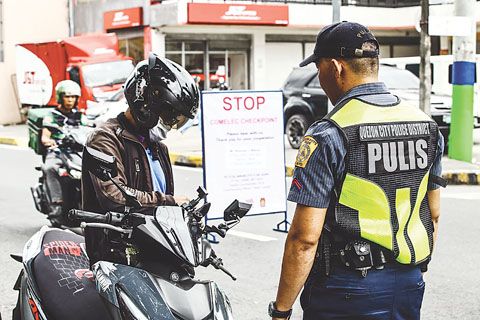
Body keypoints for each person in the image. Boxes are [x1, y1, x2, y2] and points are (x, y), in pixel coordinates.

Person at [270, 22, 445, 320]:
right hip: (408, 282)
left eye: (320, 67)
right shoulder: (426, 126)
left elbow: (304, 239)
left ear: (336, 68)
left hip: (346, 290)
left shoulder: (329, 133)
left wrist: (281, 310)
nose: (320, 76)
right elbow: (433, 213)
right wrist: (413, 269)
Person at [82, 53, 199, 214]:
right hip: (116, 238)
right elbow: (114, 196)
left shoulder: (158, 148)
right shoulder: (105, 139)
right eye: (169, 116)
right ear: (145, 104)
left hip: (156, 238)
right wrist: (168, 201)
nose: (171, 124)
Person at [41, 79, 84, 220]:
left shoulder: (79, 116)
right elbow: (45, 136)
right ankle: (56, 204)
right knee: (49, 168)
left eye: (73, 97)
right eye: (67, 96)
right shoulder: (52, 116)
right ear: (60, 97)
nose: (70, 100)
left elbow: (90, 128)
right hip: (57, 151)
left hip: (76, 151)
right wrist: (50, 141)